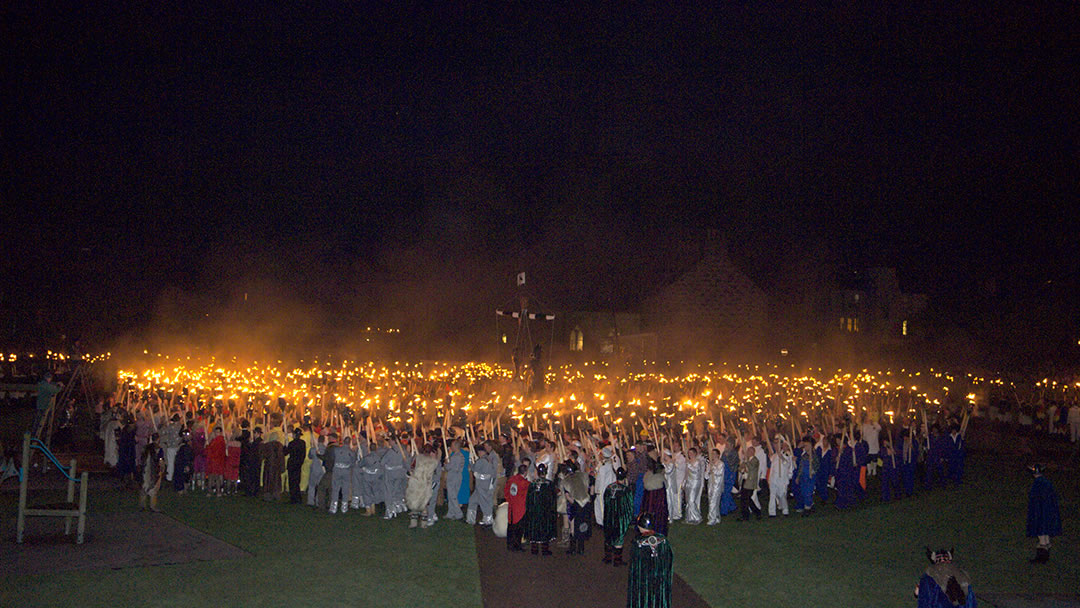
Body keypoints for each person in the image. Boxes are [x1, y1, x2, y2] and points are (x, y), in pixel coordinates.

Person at [626, 512, 673, 608]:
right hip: (660, 579)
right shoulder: (663, 540)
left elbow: (635, 568)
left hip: (644, 582)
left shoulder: (638, 542)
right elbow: (669, 559)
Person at [1026, 464, 1062, 563]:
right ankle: (1045, 551)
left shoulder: (1037, 484)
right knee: (1045, 531)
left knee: (1041, 530)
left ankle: (1042, 557)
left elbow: (1035, 500)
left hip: (1041, 510)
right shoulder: (1046, 482)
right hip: (1049, 509)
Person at [523, 462, 557, 556]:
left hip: (534, 511)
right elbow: (553, 500)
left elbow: (528, 500)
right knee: (545, 528)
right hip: (546, 512)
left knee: (534, 527)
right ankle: (544, 549)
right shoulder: (549, 485)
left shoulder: (532, 484)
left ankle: (534, 549)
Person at [602, 467, 634, 567]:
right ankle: (617, 560)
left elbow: (605, 501)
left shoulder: (609, 487)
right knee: (619, 538)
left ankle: (607, 557)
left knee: (608, 536)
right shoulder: (626, 490)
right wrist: (628, 519)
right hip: (620, 517)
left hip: (609, 516)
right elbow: (630, 506)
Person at [561, 459, 592, 555]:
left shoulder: (566, 481)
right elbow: (588, 489)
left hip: (576, 504)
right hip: (586, 503)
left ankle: (573, 548)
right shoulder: (583, 476)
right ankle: (581, 548)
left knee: (573, 526)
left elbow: (567, 496)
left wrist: (573, 504)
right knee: (583, 525)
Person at [405, 444, 440, 528]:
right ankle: (423, 524)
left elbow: (411, 468)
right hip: (426, 485)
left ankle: (414, 523)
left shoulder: (418, 458)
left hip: (418, 484)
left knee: (416, 503)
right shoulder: (434, 461)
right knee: (424, 504)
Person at [467, 442, 498, 525]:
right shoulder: (488, 459)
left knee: (484, 502)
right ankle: (470, 519)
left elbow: (474, 468)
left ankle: (488, 520)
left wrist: (470, 461)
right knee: (473, 500)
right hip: (485, 484)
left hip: (482, 485)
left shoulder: (482, 461)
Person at [505, 464, 530, 551]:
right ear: (526, 472)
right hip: (520, 509)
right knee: (519, 529)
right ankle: (517, 546)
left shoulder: (512, 479)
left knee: (511, 526)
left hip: (512, 506)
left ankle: (509, 544)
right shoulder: (525, 483)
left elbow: (506, 492)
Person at [640, 458, 668, 535]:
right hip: (657, 502)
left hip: (648, 500)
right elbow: (666, 486)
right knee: (657, 515)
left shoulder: (647, 475)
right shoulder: (660, 479)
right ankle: (658, 528)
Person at [444, 438, 469, 520]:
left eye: (452, 446)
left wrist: (446, 463)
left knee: (452, 496)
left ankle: (458, 513)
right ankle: (451, 513)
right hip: (457, 476)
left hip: (453, 477)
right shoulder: (460, 455)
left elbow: (449, 467)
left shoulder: (456, 457)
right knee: (451, 495)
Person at [139, 433, 164, 512]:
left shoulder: (145, 448)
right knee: (154, 488)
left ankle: (142, 505)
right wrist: (162, 469)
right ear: (158, 439)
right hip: (154, 470)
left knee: (144, 486)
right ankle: (152, 506)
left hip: (145, 470)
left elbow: (142, 459)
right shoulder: (158, 449)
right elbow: (160, 460)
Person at [33, 372, 62, 437]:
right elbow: (54, 390)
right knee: (41, 421)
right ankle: (39, 435)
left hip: (40, 405)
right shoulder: (46, 386)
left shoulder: (43, 384)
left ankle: (37, 434)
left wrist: (56, 383)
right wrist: (60, 387)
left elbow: (51, 384)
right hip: (44, 405)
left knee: (38, 421)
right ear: (48, 378)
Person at [738, 444, 761, 521]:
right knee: (745, 499)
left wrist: (746, 461)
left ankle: (750, 514)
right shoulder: (746, 460)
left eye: (748, 451)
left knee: (746, 499)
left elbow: (751, 467)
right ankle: (753, 513)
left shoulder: (755, 460)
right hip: (745, 480)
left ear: (752, 452)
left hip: (750, 482)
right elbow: (740, 467)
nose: (747, 452)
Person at [285, 427, 306, 503]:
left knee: (292, 481)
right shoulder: (302, 443)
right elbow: (303, 454)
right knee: (297, 481)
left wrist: (285, 446)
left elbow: (285, 452)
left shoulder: (292, 444)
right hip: (298, 464)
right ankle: (298, 497)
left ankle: (293, 498)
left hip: (292, 464)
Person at [705, 447, 725, 525]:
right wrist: (708, 471)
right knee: (711, 501)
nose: (712, 455)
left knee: (714, 501)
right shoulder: (710, 463)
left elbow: (719, 473)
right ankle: (716, 517)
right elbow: (706, 476)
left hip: (717, 485)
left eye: (714, 454)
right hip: (710, 484)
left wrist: (713, 468)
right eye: (711, 454)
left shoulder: (721, 464)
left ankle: (712, 518)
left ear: (718, 455)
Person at [306, 431, 326, 507]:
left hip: (314, 468)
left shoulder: (313, 448)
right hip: (322, 469)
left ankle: (310, 501)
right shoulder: (326, 449)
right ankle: (318, 501)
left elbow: (310, 456)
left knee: (312, 485)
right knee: (320, 486)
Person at [174, 428, 194, 493]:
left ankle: (185, 490)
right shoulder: (183, 445)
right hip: (182, 464)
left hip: (187, 463)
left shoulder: (190, 444)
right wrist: (186, 465)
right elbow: (183, 456)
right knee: (182, 477)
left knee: (186, 478)